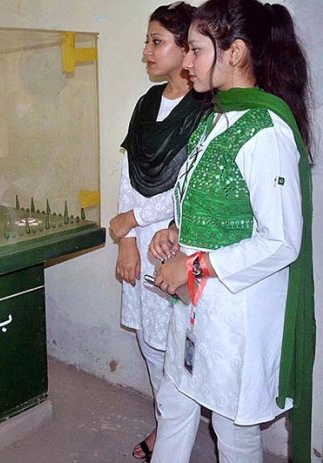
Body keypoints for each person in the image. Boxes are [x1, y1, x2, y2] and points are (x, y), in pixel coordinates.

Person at [148, 0, 315, 461]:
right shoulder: (217, 117)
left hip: (238, 313)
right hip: (196, 300)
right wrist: (175, 230)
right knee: (174, 402)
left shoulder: (266, 131)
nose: (186, 62)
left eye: (197, 50)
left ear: (236, 53)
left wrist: (196, 265)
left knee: (233, 428)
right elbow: (212, 201)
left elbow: (282, 240)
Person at [109, 2, 203, 460]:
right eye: (147, 41)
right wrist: (127, 242)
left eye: (156, 41)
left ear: (187, 49)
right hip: (141, 245)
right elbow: (129, 176)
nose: (146, 50)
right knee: (150, 342)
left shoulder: (204, 109)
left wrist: (135, 222)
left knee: (176, 346)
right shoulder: (146, 104)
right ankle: (164, 427)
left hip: (178, 244)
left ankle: (171, 434)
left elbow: (190, 189)